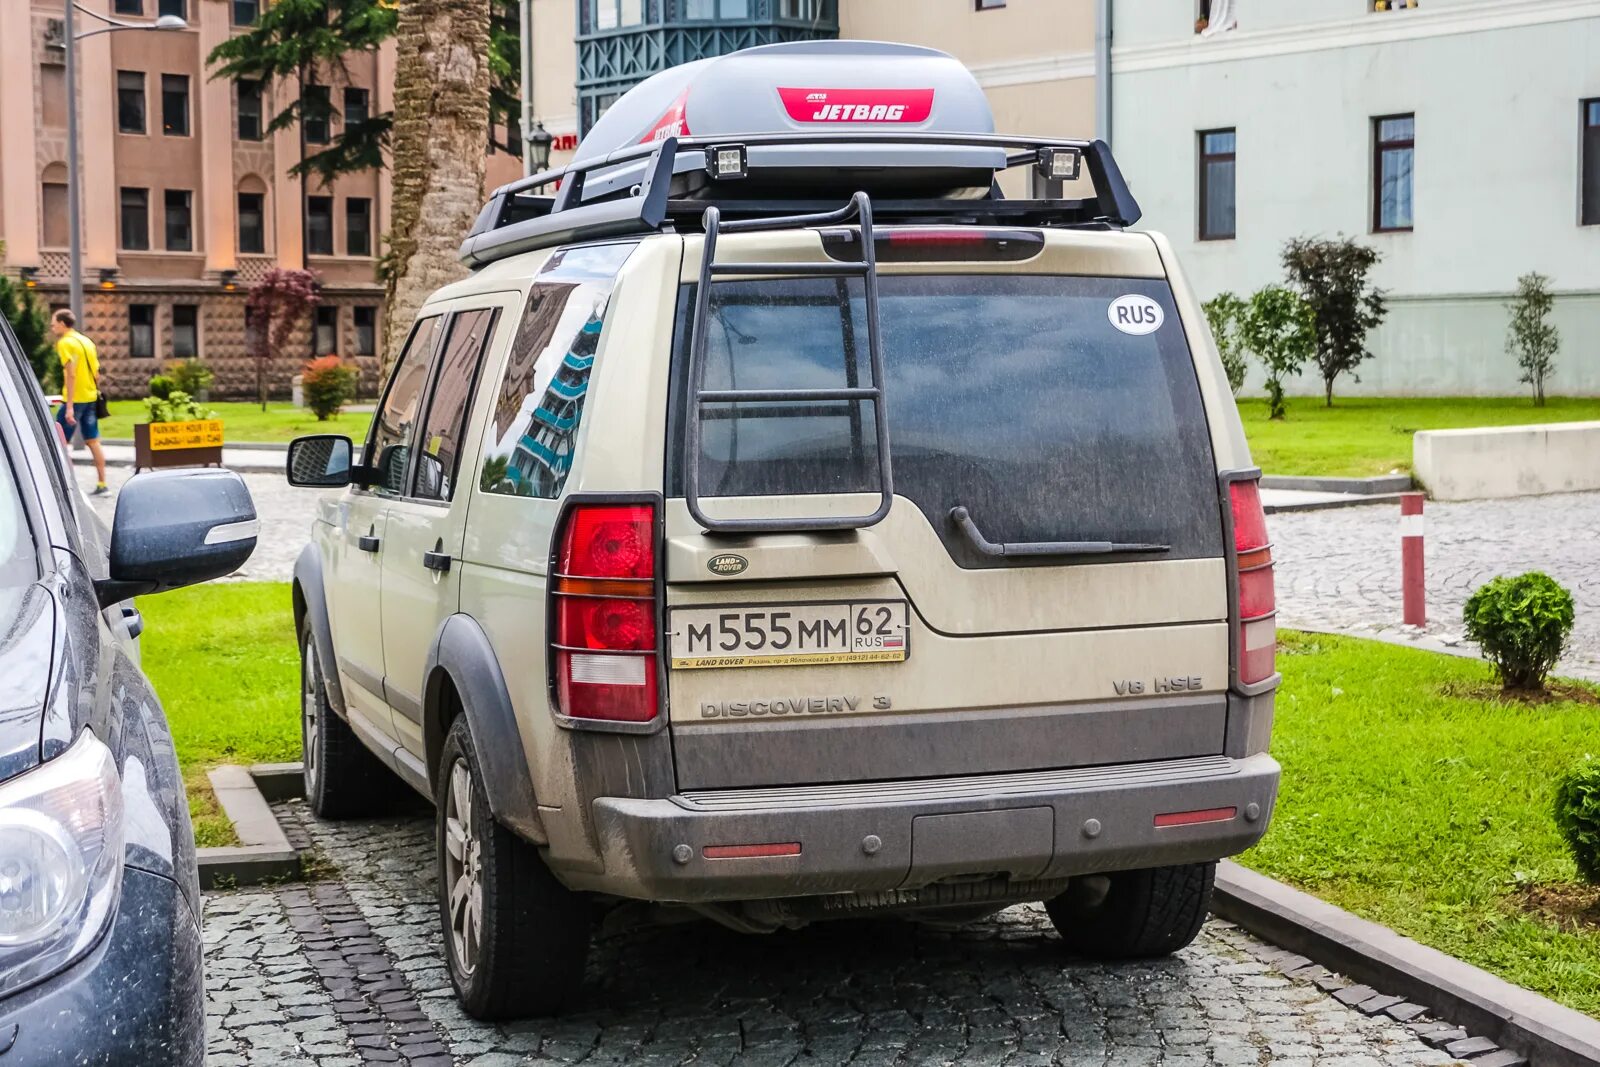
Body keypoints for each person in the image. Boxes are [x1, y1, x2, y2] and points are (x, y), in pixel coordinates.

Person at [50, 309, 109, 495]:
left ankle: (65, 485)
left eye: (53, 323)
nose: (51, 326)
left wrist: (68, 407)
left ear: (62, 323)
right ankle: (102, 483)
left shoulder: (66, 343)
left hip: (74, 400)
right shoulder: (86, 341)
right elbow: (96, 373)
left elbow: (71, 373)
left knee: (58, 441)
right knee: (93, 440)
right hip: (90, 397)